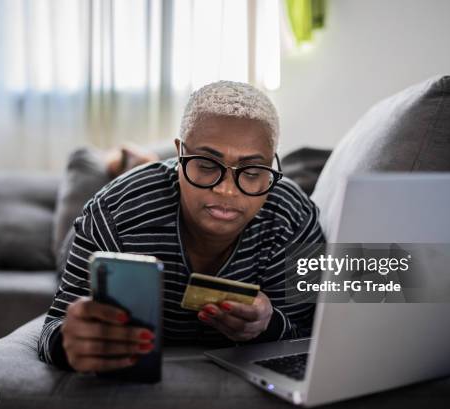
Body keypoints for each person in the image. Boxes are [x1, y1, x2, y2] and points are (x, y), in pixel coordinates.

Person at [38, 81, 325, 373]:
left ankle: (138, 161)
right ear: (179, 154)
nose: (226, 191)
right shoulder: (112, 212)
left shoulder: (292, 216)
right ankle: (127, 162)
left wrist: (269, 323)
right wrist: (68, 340)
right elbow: (54, 327)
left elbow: (311, 334)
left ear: (273, 166)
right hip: (100, 229)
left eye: (252, 171)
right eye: (206, 165)